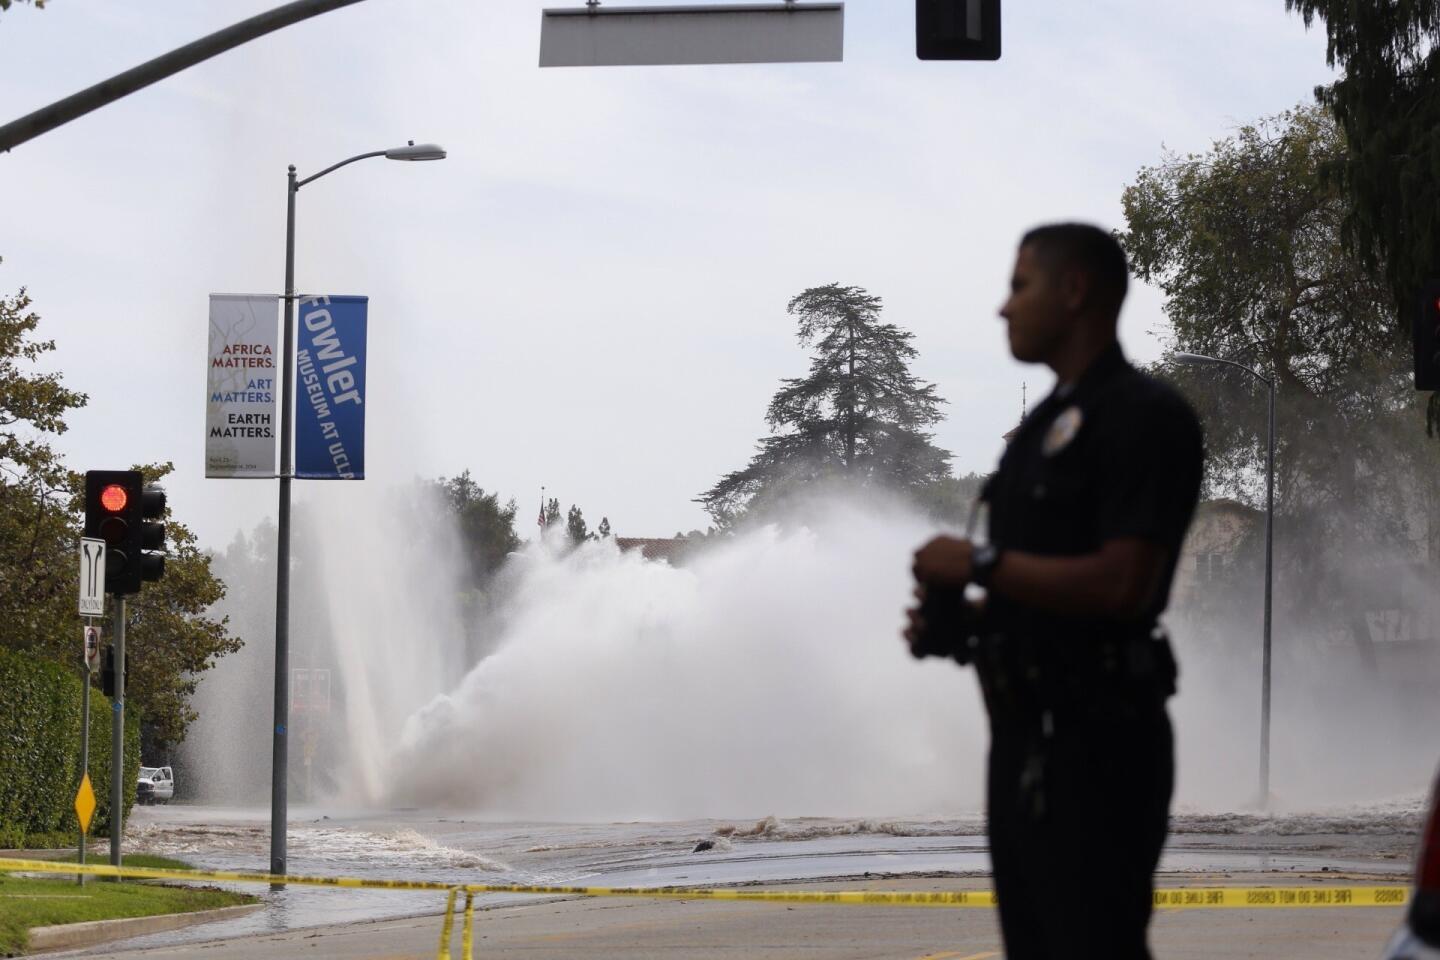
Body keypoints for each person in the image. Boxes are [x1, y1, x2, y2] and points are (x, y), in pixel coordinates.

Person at [906, 223, 1204, 959]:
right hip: (1021, 744)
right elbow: (1039, 589)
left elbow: (1127, 583)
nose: (1003, 309)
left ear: (1073, 292)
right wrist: (965, 622)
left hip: (1097, 747)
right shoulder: (1039, 431)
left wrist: (978, 567)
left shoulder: (1142, 416)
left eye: (1019, 286)